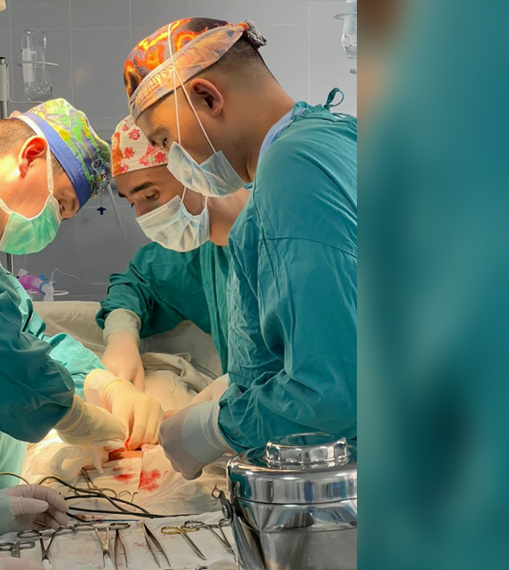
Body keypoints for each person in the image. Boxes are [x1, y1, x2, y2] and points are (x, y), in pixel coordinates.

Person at [123, 19, 357, 479]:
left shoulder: (294, 171)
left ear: (208, 98)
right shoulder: (332, 138)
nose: (173, 159)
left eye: (165, 140)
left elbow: (334, 392)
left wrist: (217, 428)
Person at [0, 99, 164, 507]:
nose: (55, 224)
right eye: (61, 205)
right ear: (30, 155)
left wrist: (99, 382)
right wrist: (71, 414)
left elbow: (21, 334)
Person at [97, 116, 248, 397]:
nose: (143, 217)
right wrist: (121, 337)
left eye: (150, 195)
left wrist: (210, 412)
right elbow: (137, 284)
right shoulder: (203, 252)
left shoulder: (279, 234)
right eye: (132, 204)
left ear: (196, 170)